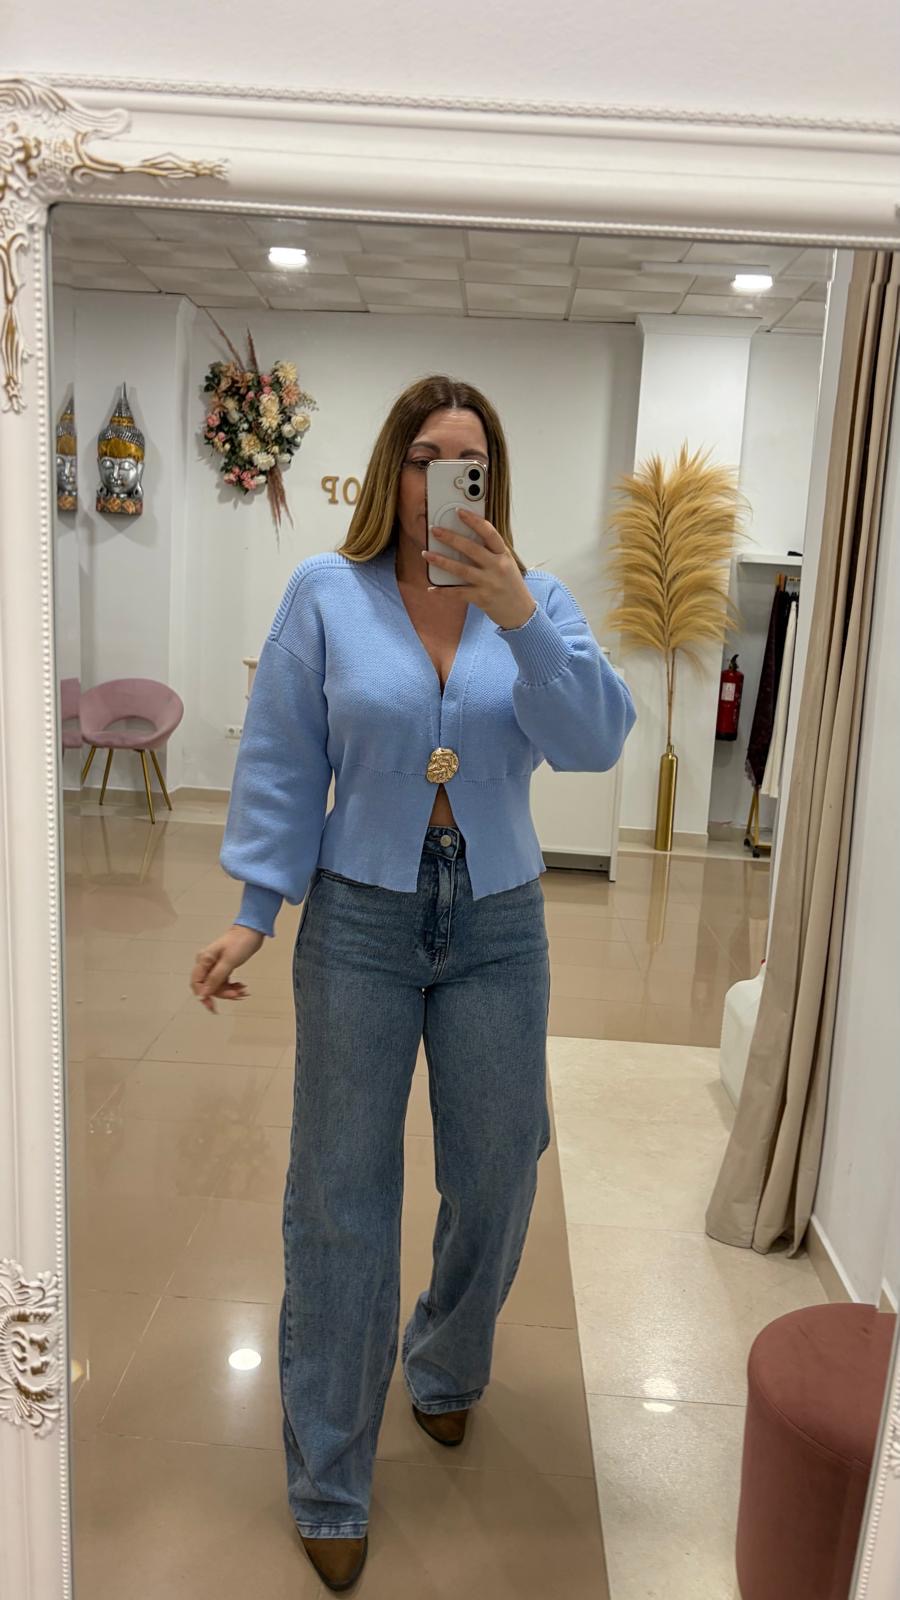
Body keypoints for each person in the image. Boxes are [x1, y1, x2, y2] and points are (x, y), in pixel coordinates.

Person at [190, 374, 636, 1592]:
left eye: (468, 459)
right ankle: (330, 1473)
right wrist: (253, 912)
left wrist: (520, 616)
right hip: (360, 918)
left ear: (492, 480)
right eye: (428, 454)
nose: (446, 476)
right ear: (395, 468)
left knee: (498, 1168)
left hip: (499, 922)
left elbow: (595, 738)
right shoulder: (325, 594)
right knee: (341, 1192)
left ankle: (444, 1356)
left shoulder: (533, 600)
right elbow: (284, 755)